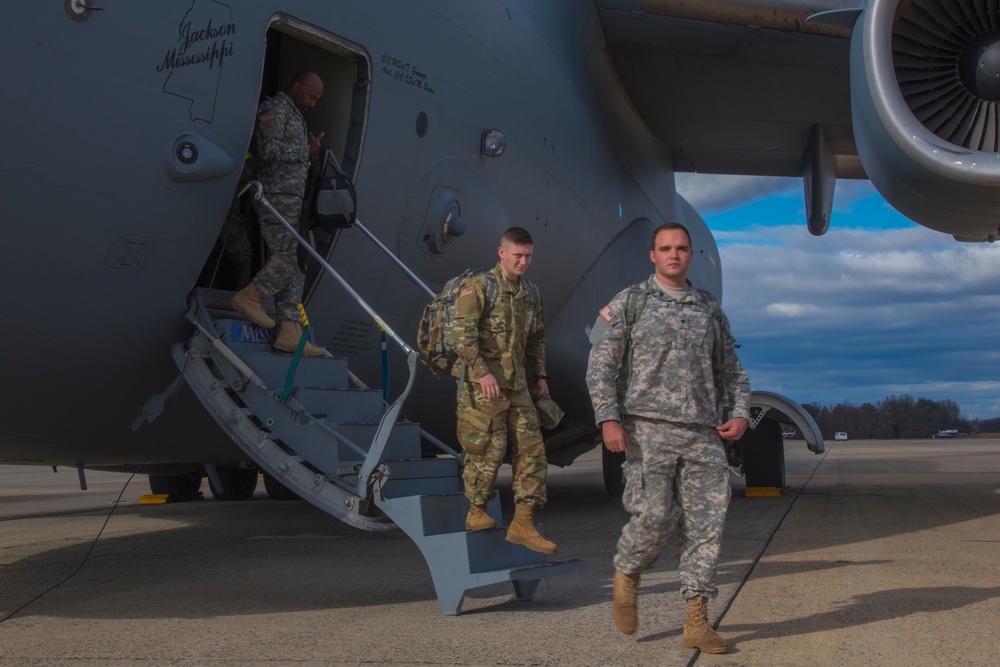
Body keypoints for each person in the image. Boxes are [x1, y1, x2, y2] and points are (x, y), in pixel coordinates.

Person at [585, 222, 750, 654]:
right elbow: (601, 363)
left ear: (691, 255)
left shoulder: (709, 309)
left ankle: (697, 619)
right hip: (647, 430)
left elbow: (731, 369)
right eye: (665, 248)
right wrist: (608, 418)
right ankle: (628, 569)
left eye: (681, 248)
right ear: (652, 256)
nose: (674, 254)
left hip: (702, 432)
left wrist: (739, 413)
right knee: (655, 516)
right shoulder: (631, 303)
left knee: (706, 526)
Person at [450, 227, 556, 555]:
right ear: (502, 253)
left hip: (518, 383)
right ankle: (476, 511)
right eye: (517, 255)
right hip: (483, 383)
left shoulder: (530, 293)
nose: (523, 262)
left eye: (528, 256)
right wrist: (482, 373)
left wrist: (540, 376)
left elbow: (535, 338)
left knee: (532, 449)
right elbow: (460, 336)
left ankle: (523, 521)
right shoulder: (479, 287)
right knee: (488, 449)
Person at [231, 70, 327, 357]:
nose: (312, 103)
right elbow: (269, 150)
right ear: (296, 87)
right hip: (275, 192)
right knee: (291, 254)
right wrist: (305, 150)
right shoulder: (274, 110)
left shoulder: (296, 115)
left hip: (293, 197)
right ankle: (251, 296)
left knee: (299, 260)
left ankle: (289, 329)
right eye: (311, 96)